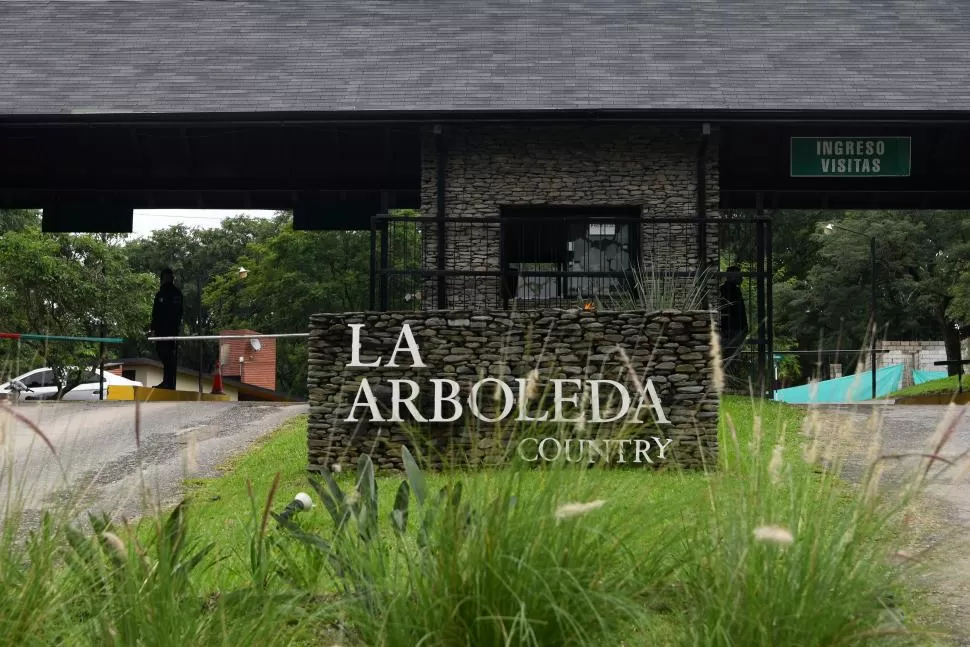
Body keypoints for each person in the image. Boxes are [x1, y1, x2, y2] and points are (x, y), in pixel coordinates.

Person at [148, 268, 183, 389]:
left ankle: (169, 382)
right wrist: (153, 329)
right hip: (165, 329)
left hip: (167, 329)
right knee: (165, 354)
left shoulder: (171, 294)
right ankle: (168, 381)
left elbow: (159, 313)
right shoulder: (162, 294)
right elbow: (155, 313)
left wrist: (154, 329)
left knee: (167, 354)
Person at [719, 265, 748, 357]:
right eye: (738, 275)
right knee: (731, 356)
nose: (741, 278)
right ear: (731, 276)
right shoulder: (729, 290)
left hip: (731, 330)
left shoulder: (728, 289)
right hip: (732, 330)